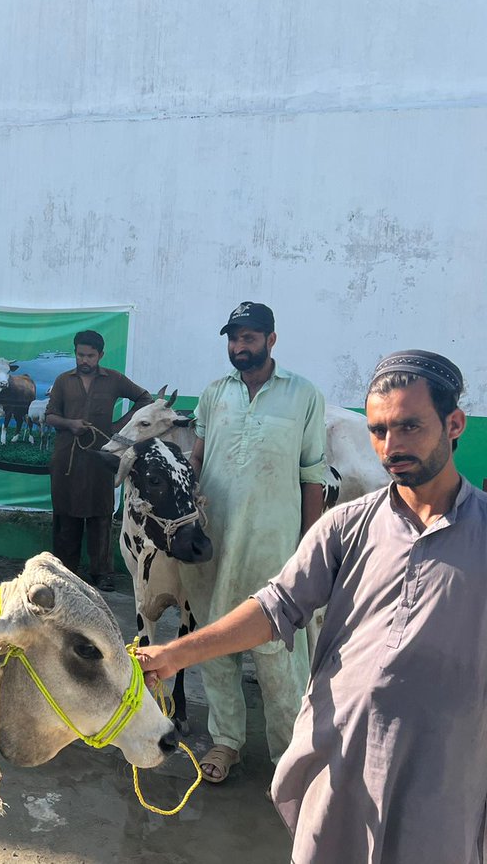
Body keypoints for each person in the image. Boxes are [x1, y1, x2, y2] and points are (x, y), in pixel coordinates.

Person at [140, 349, 487, 863]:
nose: (390, 446)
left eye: (410, 426)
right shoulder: (345, 526)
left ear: (454, 423)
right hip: (338, 773)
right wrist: (175, 654)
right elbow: (276, 606)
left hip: (443, 789)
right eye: (378, 430)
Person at [179, 301, 326, 784]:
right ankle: (225, 742)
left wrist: (310, 545)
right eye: (233, 338)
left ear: (271, 340)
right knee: (215, 648)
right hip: (214, 545)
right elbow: (197, 458)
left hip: (274, 547)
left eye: (249, 337)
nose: (240, 346)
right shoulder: (213, 394)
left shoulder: (303, 395)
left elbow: (312, 475)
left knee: (280, 659)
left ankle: (289, 758)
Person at [45, 329, 153, 593]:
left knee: (101, 516)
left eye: (90, 356)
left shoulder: (114, 379)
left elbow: (145, 399)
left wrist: (120, 427)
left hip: (102, 457)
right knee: (66, 514)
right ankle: (64, 571)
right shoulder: (63, 381)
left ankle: (102, 572)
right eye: (80, 354)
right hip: (67, 456)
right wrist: (69, 424)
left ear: (100, 355)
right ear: (76, 353)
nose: (84, 360)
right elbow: (49, 416)